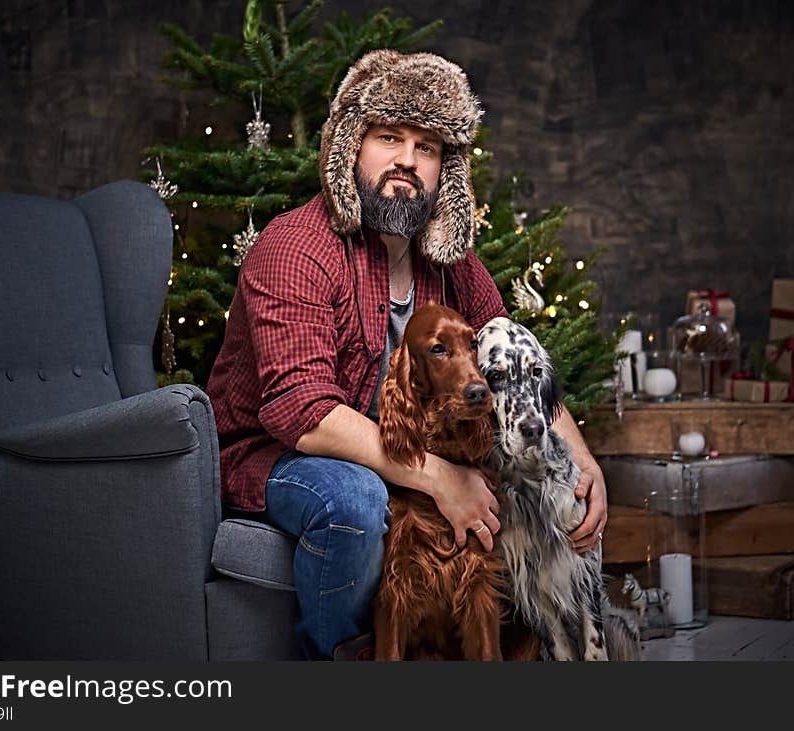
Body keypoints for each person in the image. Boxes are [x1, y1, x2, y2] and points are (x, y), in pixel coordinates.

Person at [206, 49, 607, 659]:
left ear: (446, 169)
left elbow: (507, 356)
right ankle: (342, 660)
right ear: (349, 147)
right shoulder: (295, 248)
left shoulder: (450, 262)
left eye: (427, 147)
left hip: (396, 448)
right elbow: (305, 413)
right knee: (356, 497)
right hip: (275, 456)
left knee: (520, 480)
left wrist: (583, 464)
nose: (406, 162)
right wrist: (443, 479)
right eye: (388, 136)